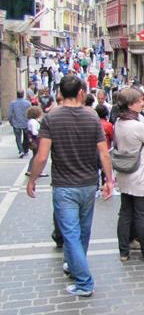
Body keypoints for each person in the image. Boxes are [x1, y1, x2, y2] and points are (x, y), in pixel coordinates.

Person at [26, 75, 113, 297]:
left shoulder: (51, 118)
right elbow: (104, 153)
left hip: (64, 185)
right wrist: (109, 180)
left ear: (60, 93)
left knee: (71, 234)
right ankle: (75, 267)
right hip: (88, 183)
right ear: (81, 92)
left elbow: (42, 156)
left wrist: (33, 179)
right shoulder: (92, 116)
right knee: (82, 231)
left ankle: (84, 282)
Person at [114, 88, 144, 262]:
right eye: (138, 101)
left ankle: (124, 251)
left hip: (124, 173)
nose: (142, 103)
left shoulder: (118, 122)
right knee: (141, 215)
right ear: (130, 104)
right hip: (140, 173)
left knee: (125, 213)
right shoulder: (137, 126)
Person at [25, 106, 47, 177]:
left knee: (35, 156)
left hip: (33, 141)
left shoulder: (30, 121)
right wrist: (42, 133)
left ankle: (30, 170)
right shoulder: (34, 122)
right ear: (37, 113)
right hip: (37, 141)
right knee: (39, 156)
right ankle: (39, 171)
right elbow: (34, 132)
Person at [9, 90, 30, 158]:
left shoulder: (13, 103)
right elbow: (30, 112)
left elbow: (10, 114)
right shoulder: (27, 103)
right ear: (23, 95)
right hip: (25, 122)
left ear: (17, 95)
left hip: (16, 123)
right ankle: (25, 150)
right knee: (26, 137)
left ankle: (21, 151)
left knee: (18, 138)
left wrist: (11, 122)